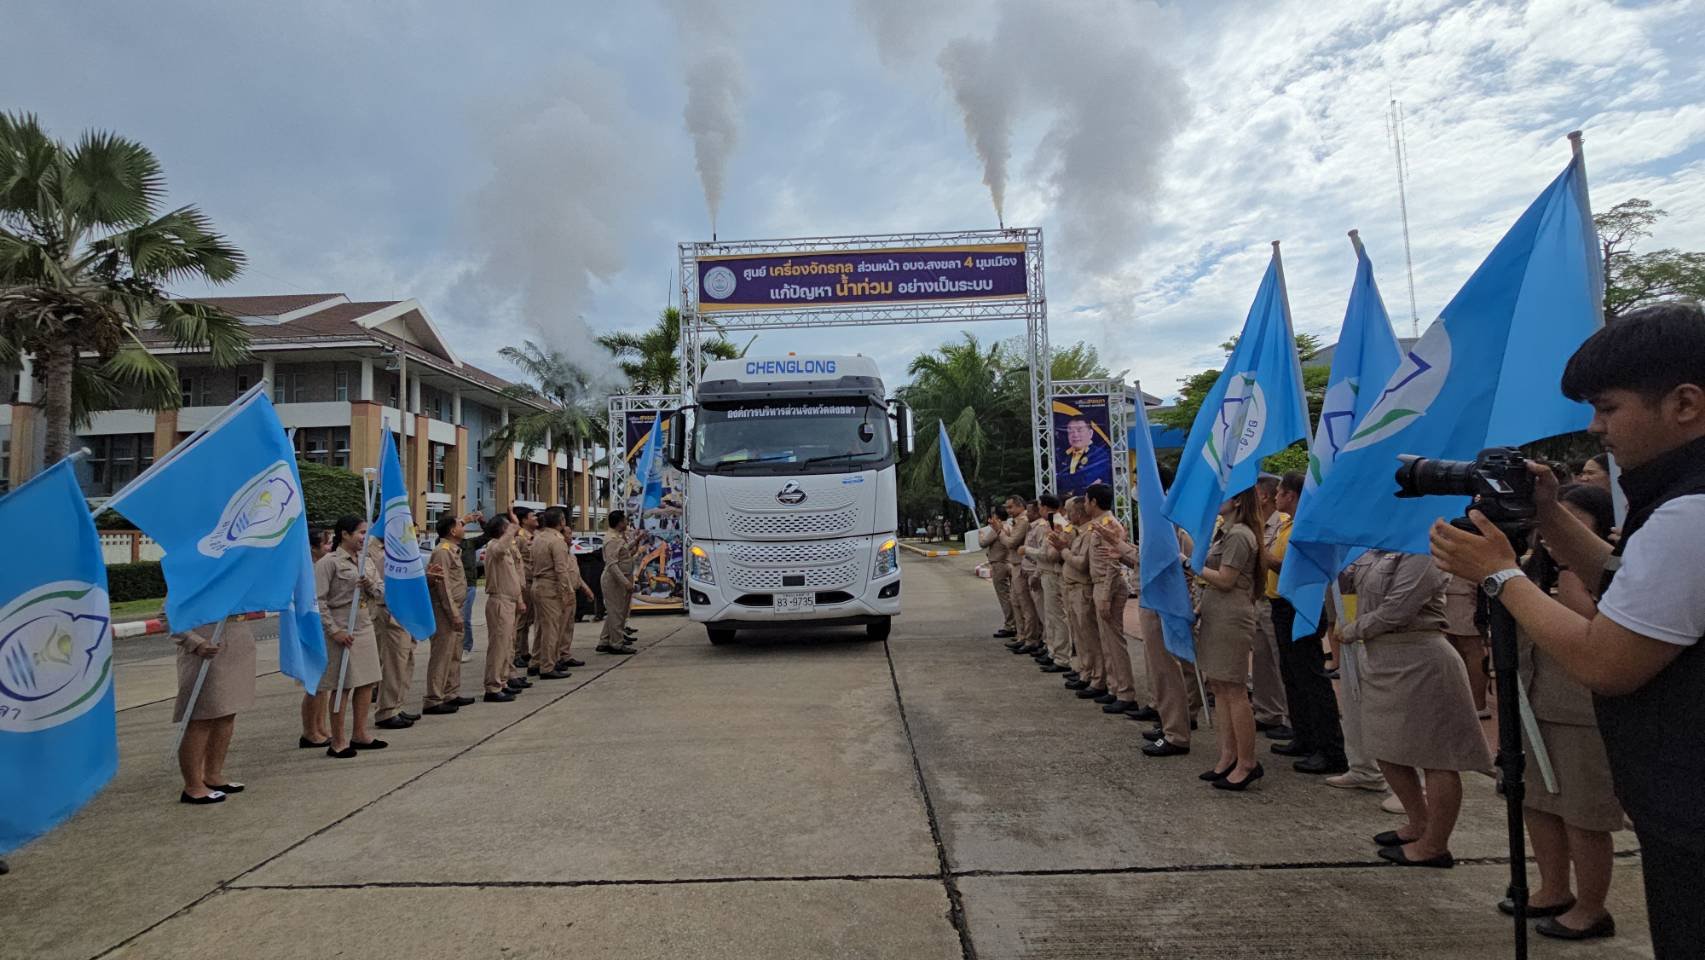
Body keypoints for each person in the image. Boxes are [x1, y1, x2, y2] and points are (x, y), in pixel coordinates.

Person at [1431, 301, 1705, 954]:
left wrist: (1501, 575)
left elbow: (1605, 662)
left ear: (1684, 403)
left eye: (1607, 408)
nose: (1594, 428)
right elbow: (1633, 585)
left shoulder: (1686, 511)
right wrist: (1549, 518)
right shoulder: (1682, 499)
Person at [1507, 483, 1624, 940]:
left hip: (1581, 707)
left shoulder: (1609, 570)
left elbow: (1599, 627)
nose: (1554, 529)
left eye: (1572, 519)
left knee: (1584, 812)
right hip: (1533, 699)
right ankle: (1553, 888)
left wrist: (1574, 572)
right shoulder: (1530, 569)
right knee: (1537, 802)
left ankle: (1592, 907)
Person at [1344, 549, 1491, 867]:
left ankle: (1435, 845)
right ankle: (1417, 822)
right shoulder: (1379, 548)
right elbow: (1349, 581)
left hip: (1420, 659)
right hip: (1383, 659)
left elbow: (1398, 609)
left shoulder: (1422, 552)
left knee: (1435, 756)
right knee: (1387, 747)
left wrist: (1354, 629)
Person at [1265, 472, 1348, 775]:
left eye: (1280, 493)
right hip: (1280, 604)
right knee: (1292, 675)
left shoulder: (1307, 526)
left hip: (1301, 605)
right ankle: (1303, 735)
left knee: (1312, 677)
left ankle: (1330, 749)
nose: (1275, 498)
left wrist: (1262, 556)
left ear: (1291, 495)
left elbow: (1290, 564)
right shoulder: (1286, 524)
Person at [1102, 521, 1198, 757]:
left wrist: (1120, 544)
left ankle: (1177, 730)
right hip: (1155, 597)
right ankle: (1173, 724)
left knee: (1169, 667)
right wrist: (1124, 552)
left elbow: (1160, 560)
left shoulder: (1171, 527)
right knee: (1163, 667)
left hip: (1165, 599)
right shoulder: (1161, 523)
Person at [1194, 489, 1266, 790]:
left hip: (1231, 615)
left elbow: (1226, 579)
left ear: (1237, 501)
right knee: (1220, 686)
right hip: (1217, 612)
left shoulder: (1239, 534)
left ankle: (1247, 762)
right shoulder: (1227, 532)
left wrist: (1192, 564)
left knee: (1234, 690)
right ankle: (1228, 755)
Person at [314, 515, 387, 758]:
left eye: (366, 533)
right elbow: (319, 601)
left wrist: (368, 585)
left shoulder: (365, 561)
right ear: (344, 534)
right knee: (342, 685)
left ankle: (360, 733)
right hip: (341, 626)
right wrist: (334, 630)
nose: (364, 537)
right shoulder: (329, 562)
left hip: (364, 624)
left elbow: (380, 592)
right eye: (360, 532)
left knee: (366, 682)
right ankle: (338, 740)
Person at [172, 616, 257, 803]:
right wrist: (195, 642)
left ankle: (213, 775)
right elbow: (169, 616)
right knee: (202, 716)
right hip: (205, 651)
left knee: (227, 712)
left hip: (236, 647)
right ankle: (193, 785)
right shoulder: (189, 584)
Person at [1083, 484, 1139, 715]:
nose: (1085, 504)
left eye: (1086, 500)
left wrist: (1105, 597)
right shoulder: (1097, 526)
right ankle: (1115, 687)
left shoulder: (1110, 526)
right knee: (1106, 642)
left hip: (1109, 587)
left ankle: (1126, 693)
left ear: (1094, 502)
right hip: (1098, 585)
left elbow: (1113, 565)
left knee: (1114, 642)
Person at [529, 507, 592, 679]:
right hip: (551, 586)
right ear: (561, 521)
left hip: (538, 584)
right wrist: (568, 591)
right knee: (552, 629)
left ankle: (536, 662)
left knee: (541, 627)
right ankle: (548, 666)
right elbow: (561, 570)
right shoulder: (557, 541)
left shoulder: (538, 537)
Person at [422, 515, 474, 715]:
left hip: (455, 608)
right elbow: (443, 586)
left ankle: (450, 692)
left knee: (454, 654)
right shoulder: (443, 552)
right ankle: (433, 698)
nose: (464, 527)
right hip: (445, 611)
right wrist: (453, 614)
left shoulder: (453, 550)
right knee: (442, 655)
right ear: (452, 531)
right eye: (461, 524)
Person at [1055, 497, 1106, 697]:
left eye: (1069, 511)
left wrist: (1063, 550)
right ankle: (1086, 671)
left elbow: (1081, 563)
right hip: (1071, 586)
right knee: (1079, 634)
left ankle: (1098, 677)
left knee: (1090, 635)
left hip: (1082, 588)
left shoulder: (1089, 532)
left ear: (1078, 513)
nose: (1067, 516)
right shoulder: (1078, 532)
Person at [370, 534, 418, 731]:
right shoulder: (382, 556)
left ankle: (396, 706)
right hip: (390, 612)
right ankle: (386, 711)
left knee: (405, 661)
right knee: (393, 664)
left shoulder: (399, 555)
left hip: (404, 611)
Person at [477, 513, 526, 703]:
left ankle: (502, 681)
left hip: (510, 600)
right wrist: (512, 529)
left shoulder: (505, 548)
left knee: (506, 645)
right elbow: (498, 548)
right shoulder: (494, 546)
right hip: (499, 601)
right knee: (498, 647)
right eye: (509, 527)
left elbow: (514, 577)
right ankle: (492, 686)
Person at [299, 526, 336, 748]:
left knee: (324, 684)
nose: (329, 547)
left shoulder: (321, 566)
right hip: (311, 629)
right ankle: (309, 731)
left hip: (323, 630)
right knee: (315, 684)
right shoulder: (307, 569)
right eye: (325, 543)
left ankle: (320, 727)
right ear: (313, 547)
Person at [1441, 574, 1490, 718]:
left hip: (1464, 587)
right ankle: (1465, 701)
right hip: (1450, 586)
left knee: (1470, 645)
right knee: (1455, 644)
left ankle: (1478, 704)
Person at [1035, 495, 1072, 674]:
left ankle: (1062, 657)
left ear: (1045, 507)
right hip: (1046, 572)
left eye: (1039, 506)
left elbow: (1049, 554)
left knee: (1057, 616)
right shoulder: (1048, 524)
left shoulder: (1057, 524)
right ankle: (1053, 652)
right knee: (1050, 616)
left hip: (1054, 573)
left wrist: (1026, 551)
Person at [598, 510, 640, 655]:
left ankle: (604, 640)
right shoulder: (612, 539)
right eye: (625, 520)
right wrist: (625, 583)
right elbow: (612, 564)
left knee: (614, 611)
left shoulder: (617, 538)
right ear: (620, 522)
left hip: (620, 580)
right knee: (616, 612)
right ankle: (616, 643)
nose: (627, 523)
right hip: (614, 581)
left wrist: (637, 541)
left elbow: (625, 553)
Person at [457, 511, 491, 662]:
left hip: (469, 585)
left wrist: (481, 521)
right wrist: (464, 520)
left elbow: (489, 535)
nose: (462, 529)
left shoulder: (469, 544)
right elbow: (441, 537)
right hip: (453, 586)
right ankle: (455, 646)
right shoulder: (445, 545)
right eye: (459, 526)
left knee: (465, 618)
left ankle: (465, 647)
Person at [1013, 501, 1046, 657]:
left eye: (1031, 511)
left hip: (1036, 572)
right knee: (1033, 609)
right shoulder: (1033, 526)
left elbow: (1043, 555)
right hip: (1028, 570)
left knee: (1045, 613)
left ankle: (1046, 645)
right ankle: (1045, 644)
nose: (1027, 514)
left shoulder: (1040, 527)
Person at [512, 506, 538, 669]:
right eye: (532, 516)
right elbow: (517, 562)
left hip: (532, 580)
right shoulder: (520, 538)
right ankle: (516, 653)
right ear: (523, 520)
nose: (535, 518)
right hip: (525, 582)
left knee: (528, 620)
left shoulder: (532, 536)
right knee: (521, 621)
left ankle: (524, 651)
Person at [1061, 416, 1112, 493]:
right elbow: (1056, 479)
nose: (1075, 435)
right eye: (1071, 431)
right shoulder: (1062, 455)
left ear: (1090, 433)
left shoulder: (1100, 454)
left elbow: (1086, 479)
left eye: (1079, 430)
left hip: (1090, 502)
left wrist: (1063, 480)